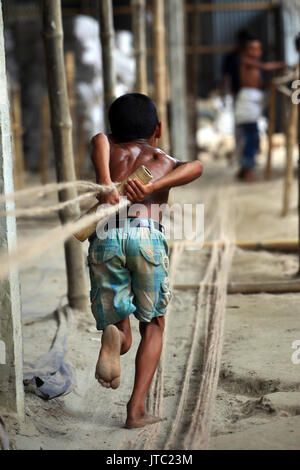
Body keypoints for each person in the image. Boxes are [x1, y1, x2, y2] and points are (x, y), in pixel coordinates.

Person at [88, 93, 203, 429]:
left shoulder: (107, 148)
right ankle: (135, 410)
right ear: (158, 128)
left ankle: (115, 337)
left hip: (105, 239)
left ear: (113, 129)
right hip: (145, 237)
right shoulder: (162, 157)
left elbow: (98, 140)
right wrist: (158, 182)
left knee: (121, 325)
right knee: (153, 325)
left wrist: (107, 182)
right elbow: (196, 166)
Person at [235, 35, 286, 182]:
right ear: (244, 51)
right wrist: (281, 64)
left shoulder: (253, 66)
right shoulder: (246, 62)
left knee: (251, 138)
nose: (256, 52)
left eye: (258, 48)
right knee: (251, 139)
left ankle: (243, 170)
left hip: (253, 104)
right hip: (247, 105)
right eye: (252, 48)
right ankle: (248, 171)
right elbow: (266, 67)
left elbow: (258, 85)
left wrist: (269, 85)